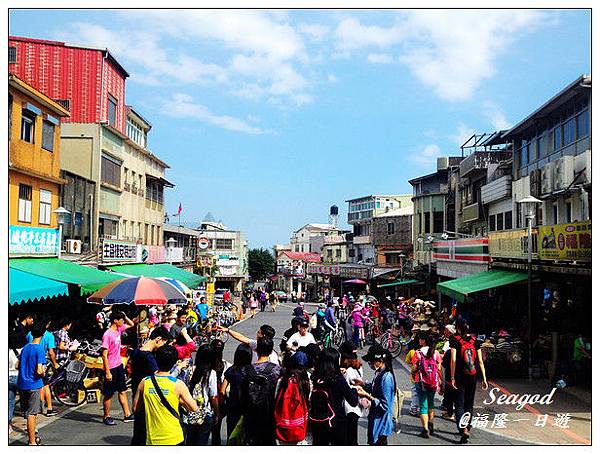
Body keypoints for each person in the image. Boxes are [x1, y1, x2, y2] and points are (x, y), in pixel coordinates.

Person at [132, 345, 198, 445]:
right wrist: (180, 401)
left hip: (152, 438)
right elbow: (194, 408)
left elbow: (135, 408)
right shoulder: (178, 384)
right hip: (174, 437)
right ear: (175, 362)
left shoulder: (145, 382)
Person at [129, 327, 172, 445]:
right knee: (145, 428)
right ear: (158, 339)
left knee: (139, 428)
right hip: (147, 395)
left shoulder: (137, 351)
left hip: (136, 391)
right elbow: (158, 375)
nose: (163, 346)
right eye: (164, 342)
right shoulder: (148, 357)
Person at [450, 317, 488, 444]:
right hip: (472, 376)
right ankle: (467, 426)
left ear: (458, 328)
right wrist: (484, 378)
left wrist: (452, 377)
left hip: (460, 376)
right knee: (469, 403)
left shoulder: (454, 340)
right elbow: (480, 361)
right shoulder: (475, 340)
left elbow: (453, 360)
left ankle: (463, 429)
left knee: (459, 403)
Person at [309, 347, 359, 445]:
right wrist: (354, 389)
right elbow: (353, 401)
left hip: (318, 422)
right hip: (337, 422)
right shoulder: (339, 380)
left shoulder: (316, 378)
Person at [240, 338, 282, 445]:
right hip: (270, 412)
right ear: (271, 350)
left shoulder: (246, 370)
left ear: (257, 350)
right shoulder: (277, 370)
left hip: (250, 412)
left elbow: (242, 393)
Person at [101, 310, 135, 426]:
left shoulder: (119, 330)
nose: (123, 322)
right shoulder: (107, 334)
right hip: (110, 368)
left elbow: (132, 324)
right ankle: (106, 416)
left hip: (119, 365)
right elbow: (104, 355)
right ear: (115, 321)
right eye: (121, 320)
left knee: (122, 390)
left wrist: (124, 315)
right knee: (109, 394)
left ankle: (127, 414)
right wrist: (107, 372)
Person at [359, 344, 396, 445]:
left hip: (381, 423)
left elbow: (385, 406)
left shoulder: (387, 377)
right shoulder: (379, 373)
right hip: (375, 419)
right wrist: (363, 384)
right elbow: (375, 388)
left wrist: (367, 396)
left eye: (371, 361)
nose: (369, 364)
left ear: (380, 361)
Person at [273, 351, 311, 445]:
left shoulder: (283, 380)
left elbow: (276, 397)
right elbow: (309, 400)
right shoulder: (307, 380)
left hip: (283, 426)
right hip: (300, 427)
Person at [184, 345, 219, 445]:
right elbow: (213, 396)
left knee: (190, 441)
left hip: (190, 411)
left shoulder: (189, 370)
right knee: (202, 442)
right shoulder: (211, 373)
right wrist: (216, 413)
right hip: (205, 413)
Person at [17, 325, 46, 445]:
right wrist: (43, 372)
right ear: (42, 335)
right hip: (34, 384)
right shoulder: (39, 349)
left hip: (22, 383)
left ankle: (33, 437)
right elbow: (39, 370)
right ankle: (32, 442)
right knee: (32, 414)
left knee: (27, 413)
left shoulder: (25, 348)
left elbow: (17, 365)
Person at [26, 318, 59, 417]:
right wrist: (55, 363)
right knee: (45, 385)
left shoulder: (29, 334)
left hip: (30, 362)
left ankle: (39, 406)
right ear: (47, 324)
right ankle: (49, 408)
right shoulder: (49, 335)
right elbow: (51, 352)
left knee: (37, 386)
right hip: (41, 362)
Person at [412, 334, 442, 438]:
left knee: (423, 405)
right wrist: (441, 381)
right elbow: (438, 368)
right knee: (431, 403)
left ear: (424, 341)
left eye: (420, 338)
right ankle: (431, 424)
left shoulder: (418, 353)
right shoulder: (436, 353)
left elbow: (414, 368)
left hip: (421, 382)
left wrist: (413, 373)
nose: (419, 340)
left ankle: (425, 429)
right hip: (433, 382)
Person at [220, 344, 253, 437]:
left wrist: (226, 401)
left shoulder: (231, 370)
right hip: (247, 408)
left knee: (232, 434)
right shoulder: (252, 371)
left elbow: (222, 390)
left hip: (233, 407)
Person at [341, 351, 364, 445]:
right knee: (353, 432)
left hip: (350, 405)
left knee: (350, 433)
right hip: (357, 404)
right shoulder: (358, 368)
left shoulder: (349, 371)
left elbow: (349, 385)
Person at [210, 339, 231, 445]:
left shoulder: (204, 366)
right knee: (217, 430)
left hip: (208, 400)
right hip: (221, 399)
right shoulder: (227, 366)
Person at [441, 324, 458, 420]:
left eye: (446, 330)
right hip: (460, 373)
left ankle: (450, 412)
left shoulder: (450, 345)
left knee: (449, 392)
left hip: (451, 372)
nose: (444, 332)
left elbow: (449, 360)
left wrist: (451, 376)